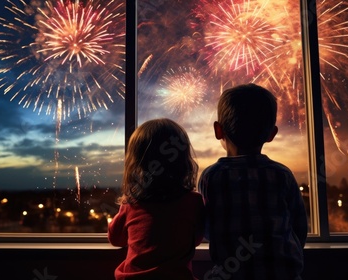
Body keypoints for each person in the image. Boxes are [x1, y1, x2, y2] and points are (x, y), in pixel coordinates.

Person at [199, 83, 308, 280]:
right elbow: (299, 228)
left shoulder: (211, 177)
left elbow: (208, 230)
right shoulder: (282, 175)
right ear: (271, 134)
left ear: (218, 131)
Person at [108, 118, 205, 280]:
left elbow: (115, 239)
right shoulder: (193, 201)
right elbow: (195, 240)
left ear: (137, 163)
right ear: (183, 161)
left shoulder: (132, 204)